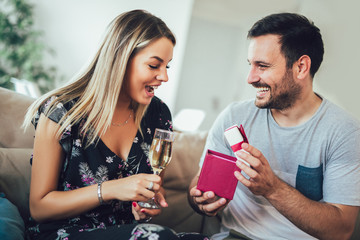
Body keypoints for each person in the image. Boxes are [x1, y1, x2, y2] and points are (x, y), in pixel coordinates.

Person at [23, 9, 208, 240]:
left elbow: (146, 198)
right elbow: (39, 208)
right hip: (64, 233)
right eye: (154, 66)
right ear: (120, 60)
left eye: (167, 66)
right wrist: (110, 189)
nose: (164, 77)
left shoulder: (158, 114)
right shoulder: (61, 111)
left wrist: (144, 209)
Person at [188, 12, 360, 240]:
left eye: (262, 66)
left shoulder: (344, 133)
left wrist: (272, 188)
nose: (250, 78)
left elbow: (340, 231)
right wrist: (199, 199)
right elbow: (198, 185)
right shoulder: (233, 117)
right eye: (250, 64)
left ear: (301, 67)